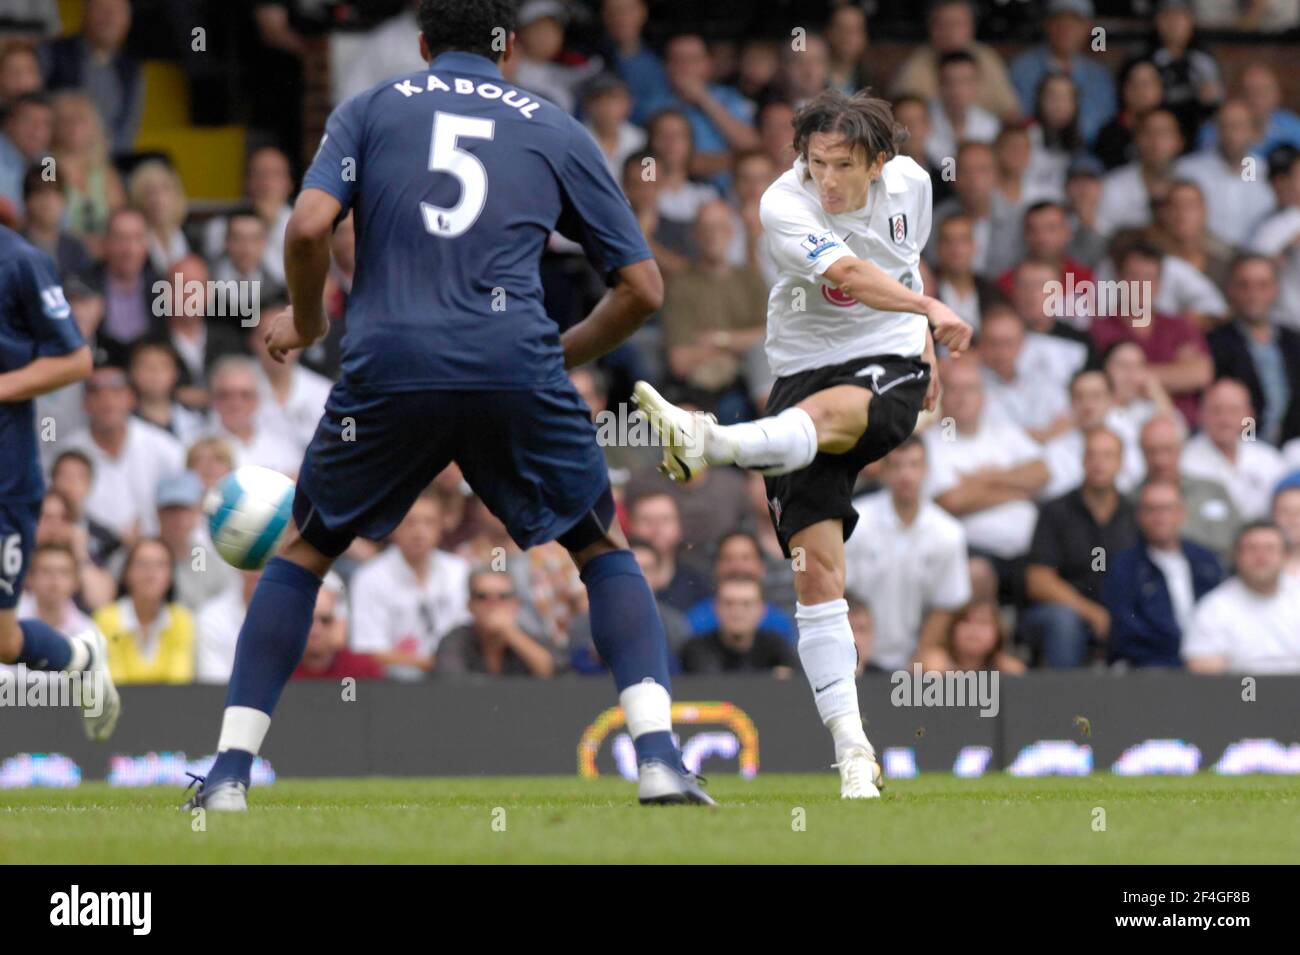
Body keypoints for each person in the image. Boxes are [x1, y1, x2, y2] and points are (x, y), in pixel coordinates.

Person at [185, 1, 711, 812]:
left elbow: (306, 228)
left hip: (390, 364)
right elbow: (644, 287)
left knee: (305, 552)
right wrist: (548, 355)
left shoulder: (369, 107)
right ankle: (659, 760)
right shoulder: (555, 122)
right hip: (515, 366)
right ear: (507, 52)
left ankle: (226, 776)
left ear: (424, 45)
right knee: (601, 548)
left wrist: (311, 319)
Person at [636, 88, 972, 799]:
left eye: (842, 164)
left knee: (835, 413)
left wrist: (926, 341)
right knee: (817, 576)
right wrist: (933, 310)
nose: (826, 178)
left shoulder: (911, 182)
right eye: (815, 161)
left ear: (880, 162)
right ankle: (854, 752)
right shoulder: (782, 204)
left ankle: (708, 440)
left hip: (888, 361)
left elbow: (902, 263)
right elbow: (850, 274)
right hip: (799, 371)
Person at [0, 223, 117, 738]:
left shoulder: (19, 262)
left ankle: (79, 657)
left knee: (3, 641)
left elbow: (75, 359)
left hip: (5, 476)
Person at [844, 437, 971, 670]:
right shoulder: (856, 521)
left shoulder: (949, 533)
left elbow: (945, 605)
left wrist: (919, 656)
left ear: (927, 471)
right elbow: (841, 593)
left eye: (914, 465)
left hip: (914, 653)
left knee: (936, 667)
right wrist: (856, 644)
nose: (906, 475)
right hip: (856, 645)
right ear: (884, 472)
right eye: (897, 465)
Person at [1105, 479, 1223, 668]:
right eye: (1151, 510)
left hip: (1209, 662)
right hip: (1153, 667)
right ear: (1140, 516)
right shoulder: (1125, 565)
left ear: (1182, 514)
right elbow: (1127, 628)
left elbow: (1223, 613)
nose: (1160, 517)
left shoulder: (1206, 560)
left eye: (1167, 509)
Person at [1182, 522, 1300, 674]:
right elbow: (1202, 668)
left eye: (1270, 548)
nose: (1261, 557)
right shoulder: (1214, 607)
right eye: (1252, 548)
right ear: (1235, 556)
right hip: (1242, 693)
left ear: (1286, 556)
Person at [679, 575, 799, 674]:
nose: (737, 612)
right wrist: (770, 676)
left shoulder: (776, 645)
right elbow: (709, 683)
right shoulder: (697, 649)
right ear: (716, 608)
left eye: (746, 604)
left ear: (761, 610)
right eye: (728, 604)